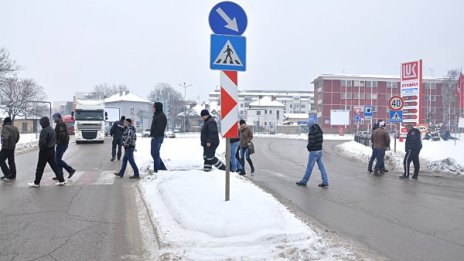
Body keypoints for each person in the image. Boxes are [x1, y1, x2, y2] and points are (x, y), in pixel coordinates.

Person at [28, 116, 66, 187]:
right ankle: (61, 180)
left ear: (43, 123)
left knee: (40, 167)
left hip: (45, 151)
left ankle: (36, 182)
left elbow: (42, 142)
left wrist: (41, 150)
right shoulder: (52, 129)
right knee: (55, 166)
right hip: (51, 150)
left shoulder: (44, 130)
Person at [296, 117, 329, 187]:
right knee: (321, 167)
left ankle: (304, 181)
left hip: (314, 152)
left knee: (309, 167)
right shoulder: (320, 130)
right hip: (319, 151)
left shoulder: (312, 132)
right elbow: (321, 141)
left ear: (310, 125)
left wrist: (308, 147)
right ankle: (325, 181)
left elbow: (311, 142)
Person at [52, 113, 76, 180]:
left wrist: (58, 142)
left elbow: (62, 134)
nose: (53, 119)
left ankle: (70, 170)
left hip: (62, 144)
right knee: (57, 160)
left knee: (57, 160)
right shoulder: (59, 123)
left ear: (58, 118)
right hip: (62, 144)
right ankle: (60, 175)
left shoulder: (61, 124)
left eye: (54, 118)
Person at [0, 117, 20, 181]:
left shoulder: (5, 127)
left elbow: (5, 137)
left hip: (6, 147)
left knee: (1, 160)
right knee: (11, 161)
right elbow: (18, 137)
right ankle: (13, 175)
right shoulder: (15, 128)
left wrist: (3, 141)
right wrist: (13, 143)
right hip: (12, 146)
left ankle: (7, 173)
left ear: (5, 122)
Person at [150, 102, 167, 173]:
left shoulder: (161, 116)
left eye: (153, 107)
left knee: (155, 154)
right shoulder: (157, 115)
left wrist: (154, 135)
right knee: (154, 154)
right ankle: (162, 168)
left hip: (157, 137)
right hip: (155, 137)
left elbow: (160, 128)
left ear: (157, 107)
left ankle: (157, 170)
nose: (152, 108)